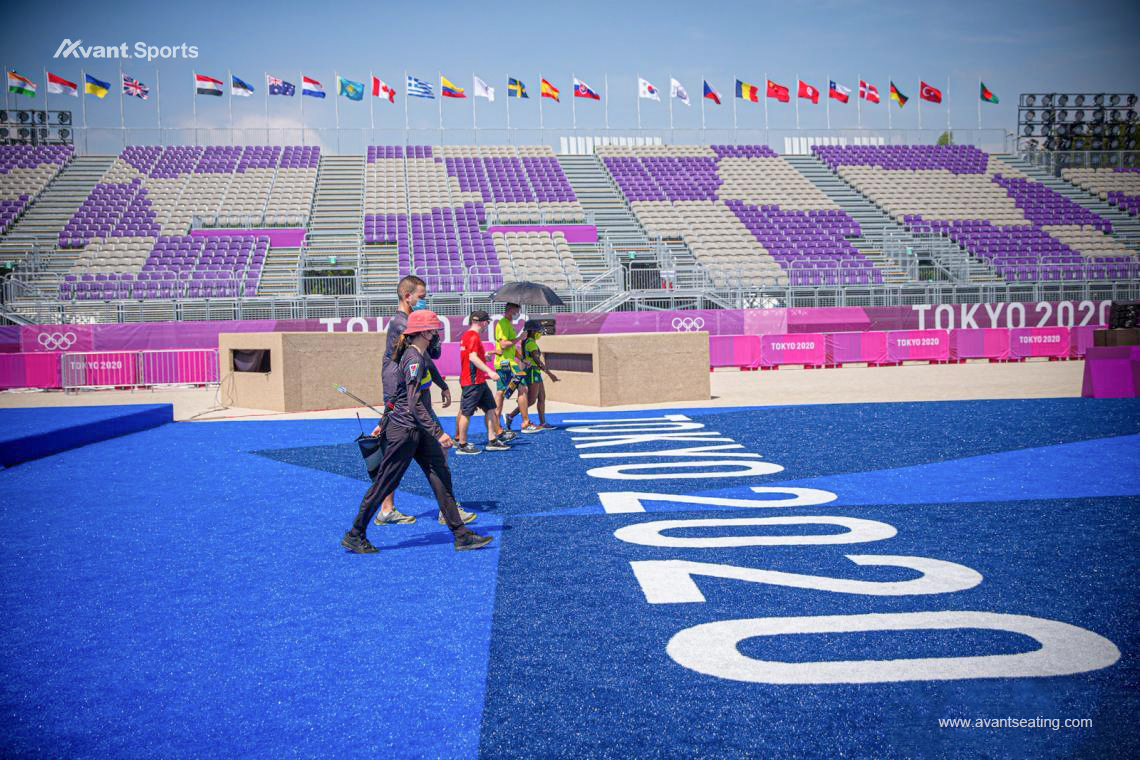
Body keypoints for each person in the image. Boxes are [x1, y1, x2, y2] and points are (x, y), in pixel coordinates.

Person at [343, 309, 493, 554]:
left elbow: (401, 392)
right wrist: (437, 432)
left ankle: (461, 534)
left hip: (417, 430)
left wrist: (441, 386)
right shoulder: (413, 359)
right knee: (384, 482)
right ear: (424, 332)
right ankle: (355, 534)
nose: (436, 335)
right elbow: (412, 402)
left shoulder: (417, 355)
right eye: (434, 331)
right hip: (405, 431)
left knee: (440, 476)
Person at [373, 275, 474, 526]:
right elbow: (427, 356)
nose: (424, 300)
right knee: (414, 453)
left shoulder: (411, 323)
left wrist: (440, 384)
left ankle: (439, 509)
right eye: (421, 296)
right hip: (406, 400)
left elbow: (431, 355)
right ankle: (440, 510)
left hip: (415, 397)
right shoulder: (401, 324)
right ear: (407, 297)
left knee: (426, 452)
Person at [455, 310, 511, 455]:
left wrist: (486, 356)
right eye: (487, 322)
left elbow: (472, 356)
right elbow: (472, 358)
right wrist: (490, 371)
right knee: (466, 413)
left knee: (490, 408)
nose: (487, 325)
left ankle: (492, 440)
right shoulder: (473, 336)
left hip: (477, 380)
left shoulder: (467, 335)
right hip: (473, 381)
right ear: (482, 322)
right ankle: (462, 444)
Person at [505, 320, 560, 432]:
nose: (539, 332)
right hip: (532, 373)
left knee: (542, 397)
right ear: (533, 331)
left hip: (536, 372)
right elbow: (537, 361)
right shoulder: (530, 343)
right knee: (530, 400)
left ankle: (543, 422)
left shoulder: (529, 342)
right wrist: (550, 374)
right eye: (537, 330)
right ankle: (510, 416)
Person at [492, 303, 531, 435]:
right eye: (517, 309)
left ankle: (499, 422)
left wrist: (522, 359)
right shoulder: (503, 323)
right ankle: (525, 422)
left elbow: (512, 347)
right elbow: (503, 344)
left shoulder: (508, 324)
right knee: (519, 388)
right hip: (505, 364)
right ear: (510, 309)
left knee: (503, 392)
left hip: (509, 363)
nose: (518, 312)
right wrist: (520, 338)